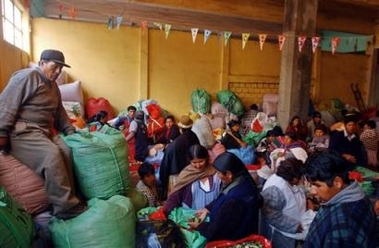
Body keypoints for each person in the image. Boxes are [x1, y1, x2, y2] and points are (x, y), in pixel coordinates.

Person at [0, 49, 86, 219]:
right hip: (23, 132)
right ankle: (64, 207)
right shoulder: (27, 77)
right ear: (42, 63)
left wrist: (70, 132)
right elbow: (6, 104)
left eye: (60, 69)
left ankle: (72, 199)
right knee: (51, 155)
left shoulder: (54, 87)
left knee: (67, 151)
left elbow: (60, 113)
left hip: (44, 132)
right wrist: (2, 132)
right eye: (55, 67)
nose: (58, 72)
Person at [303, 151, 377, 247]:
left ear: (338, 182)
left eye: (317, 185)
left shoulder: (344, 228)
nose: (313, 191)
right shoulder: (356, 195)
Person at [188, 152, 261, 241]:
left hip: (235, 239)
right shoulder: (242, 179)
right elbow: (223, 197)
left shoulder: (235, 199)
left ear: (229, 174)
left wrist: (199, 226)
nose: (218, 176)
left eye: (218, 173)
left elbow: (216, 231)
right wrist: (208, 209)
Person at [260, 157, 312, 248]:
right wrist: (294, 226)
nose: (300, 181)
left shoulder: (289, 179)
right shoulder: (275, 188)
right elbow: (270, 214)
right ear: (293, 178)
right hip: (281, 232)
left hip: (298, 223)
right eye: (299, 178)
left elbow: (299, 190)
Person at [162, 144, 221, 215]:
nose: (198, 165)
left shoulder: (216, 172)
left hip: (214, 213)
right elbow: (177, 194)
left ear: (206, 158)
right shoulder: (186, 174)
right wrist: (165, 209)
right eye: (194, 162)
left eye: (201, 161)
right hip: (191, 216)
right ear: (189, 161)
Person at [159, 115, 200, 199]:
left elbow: (165, 167)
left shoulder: (173, 146)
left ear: (180, 129)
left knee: (176, 199)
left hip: (177, 178)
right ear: (191, 127)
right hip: (193, 173)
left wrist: (163, 182)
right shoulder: (194, 137)